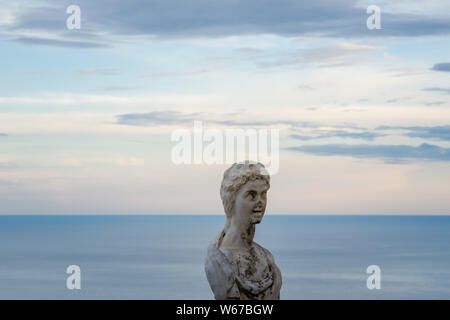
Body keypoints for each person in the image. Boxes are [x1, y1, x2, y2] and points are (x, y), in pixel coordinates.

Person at [205, 161, 282, 300]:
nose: (260, 201)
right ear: (232, 198)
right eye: (252, 195)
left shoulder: (266, 258)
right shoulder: (219, 261)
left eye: (263, 194)